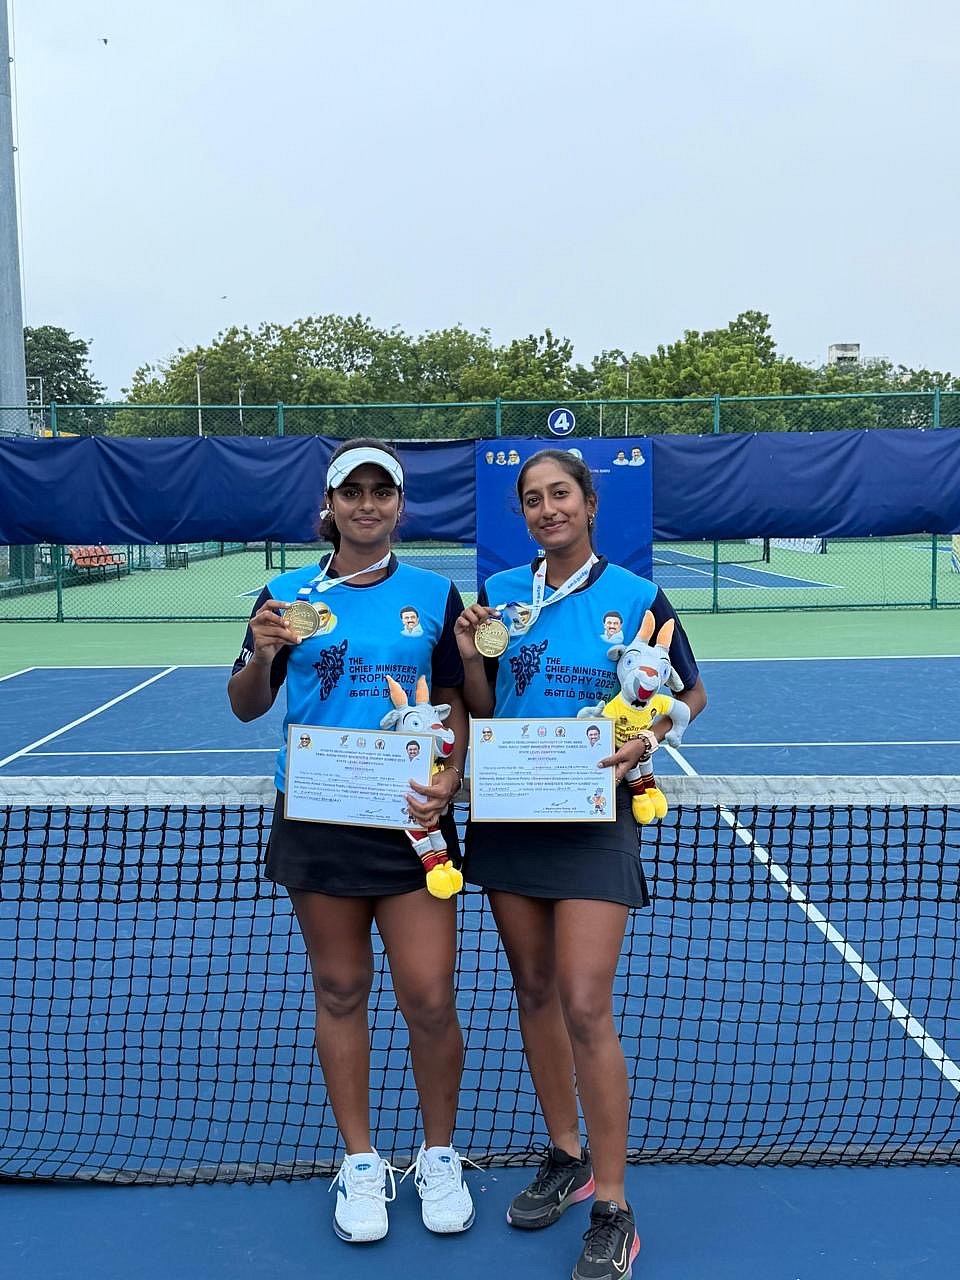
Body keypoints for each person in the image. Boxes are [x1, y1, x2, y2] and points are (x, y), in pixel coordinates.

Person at [455, 448, 706, 1280]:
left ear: (589, 503)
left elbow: (688, 692)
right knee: (532, 991)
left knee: (586, 1001)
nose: (546, 509)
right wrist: (464, 658)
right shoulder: (499, 599)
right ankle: (566, 1155)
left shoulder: (636, 597)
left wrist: (652, 733)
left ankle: (614, 1203)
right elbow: (485, 707)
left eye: (559, 494)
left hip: (596, 817)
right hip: (514, 813)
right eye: (532, 499)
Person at [228, 438, 474, 1244]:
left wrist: (452, 772)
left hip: (412, 820)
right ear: (328, 507)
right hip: (319, 818)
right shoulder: (284, 595)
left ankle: (437, 1153)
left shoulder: (436, 596)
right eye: (352, 492)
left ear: (400, 505)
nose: (367, 505)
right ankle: (362, 1162)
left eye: (382, 492)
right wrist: (264, 655)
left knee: (430, 995)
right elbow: (244, 703)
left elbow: (453, 697)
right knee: (339, 991)